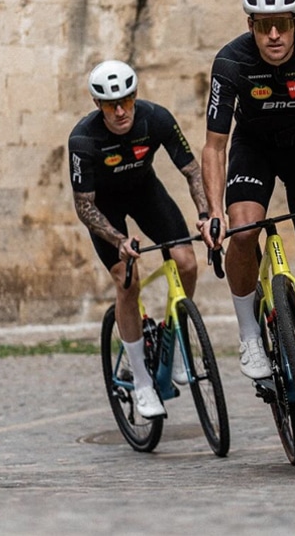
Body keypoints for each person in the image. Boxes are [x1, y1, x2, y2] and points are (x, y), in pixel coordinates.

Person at [199, 0, 295, 423]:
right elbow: (214, 146)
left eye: (282, 23)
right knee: (244, 230)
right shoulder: (230, 62)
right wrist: (213, 211)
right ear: (250, 26)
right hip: (255, 148)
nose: (273, 35)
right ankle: (249, 334)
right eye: (263, 25)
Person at [69, 60, 209, 418]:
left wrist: (206, 215)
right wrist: (119, 240)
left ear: (135, 97)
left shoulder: (156, 118)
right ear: (98, 105)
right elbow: (84, 206)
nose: (120, 111)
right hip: (106, 208)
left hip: (146, 193)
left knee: (187, 262)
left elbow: (192, 171)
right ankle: (143, 382)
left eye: (126, 101)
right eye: (110, 105)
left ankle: (174, 345)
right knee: (127, 282)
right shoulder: (83, 139)